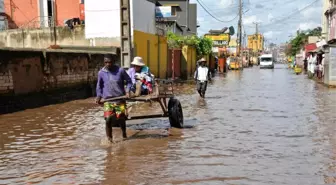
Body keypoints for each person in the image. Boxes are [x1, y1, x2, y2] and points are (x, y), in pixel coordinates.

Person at [95, 54, 133, 142]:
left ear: (114, 62)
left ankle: (124, 133)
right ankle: (109, 140)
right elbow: (99, 86)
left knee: (121, 118)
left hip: (120, 99)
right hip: (108, 100)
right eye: (106, 62)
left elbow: (129, 81)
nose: (108, 64)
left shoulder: (120, 71)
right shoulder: (101, 73)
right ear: (104, 62)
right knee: (108, 119)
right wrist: (98, 96)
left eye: (110, 62)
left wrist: (127, 91)